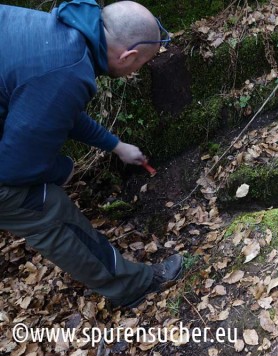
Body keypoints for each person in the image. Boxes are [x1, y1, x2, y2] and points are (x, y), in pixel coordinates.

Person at [0, 0, 182, 308]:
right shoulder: (66, 70)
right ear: (128, 56)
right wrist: (63, 170)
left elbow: (54, 106)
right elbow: (15, 170)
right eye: (140, 65)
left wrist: (115, 145)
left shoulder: (54, 33)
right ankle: (131, 286)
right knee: (45, 206)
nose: (135, 71)